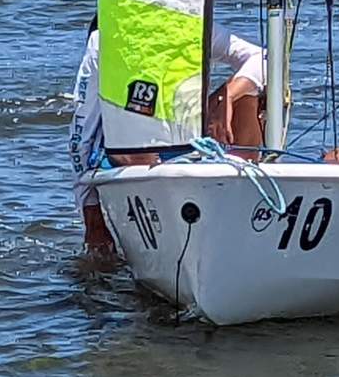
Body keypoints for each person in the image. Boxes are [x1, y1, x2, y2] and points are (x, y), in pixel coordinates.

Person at [69, 17, 266, 254]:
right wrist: (92, 217)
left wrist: (228, 95)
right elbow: (81, 133)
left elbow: (264, 59)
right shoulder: (103, 41)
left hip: (193, 148)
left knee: (248, 91)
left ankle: (240, 186)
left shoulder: (190, 27)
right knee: (134, 134)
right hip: (134, 155)